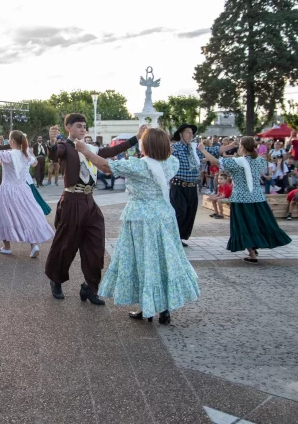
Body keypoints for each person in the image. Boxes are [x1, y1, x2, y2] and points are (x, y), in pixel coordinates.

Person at [73, 127, 199, 325]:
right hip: (164, 216)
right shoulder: (171, 163)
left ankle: (147, 308)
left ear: (145, 145)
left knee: (143, 261)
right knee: (162, 260)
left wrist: (85, 150)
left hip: (141, 218)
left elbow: (106, 166)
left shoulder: (139, 166)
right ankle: (164, 310)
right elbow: (168, 157)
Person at [44, 115, 144, 303]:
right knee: (66, 245)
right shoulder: (65, 146)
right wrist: (51, 140)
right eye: (78, 126)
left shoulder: (90, 148)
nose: (83, 129)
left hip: (90, 201)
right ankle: (55, 280)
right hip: (72, 201)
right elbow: (53, 154)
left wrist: (136, 138)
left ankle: (90, 288)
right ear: (68, 127)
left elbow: (112, 150)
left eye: (84, 127)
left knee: (96, 245)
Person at [198, 136, 291, 264]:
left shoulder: (237, 162)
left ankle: (252, 255)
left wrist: (203, 150)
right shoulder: (259, 161)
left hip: (241, 199)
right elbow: (265, 161)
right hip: (258, 198)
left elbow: (215, 161)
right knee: (259, 223)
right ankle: (254, 247)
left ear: (241, 147)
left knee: (244, 226)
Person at [0, 131, 55, 257]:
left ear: (12, 141)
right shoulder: (25, 154)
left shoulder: (9, 154)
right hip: (23, 189)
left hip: (8, 190)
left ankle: (6, 246)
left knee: (4, 216)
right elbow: (34, 162)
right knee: (27, 215)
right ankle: (33, 244)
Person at [169, 124, 228, 247]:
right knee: (180, 212)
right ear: (181, 134)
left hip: (192, 187)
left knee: (190, 213)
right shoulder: (174, 148)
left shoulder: (195, 148)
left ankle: (180, 238)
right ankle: (173, 238)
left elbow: (215, 151)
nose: (191, 135)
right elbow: (164, 159)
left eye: (192, 133)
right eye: (188, 132)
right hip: (179, 186)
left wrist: (231, 146)